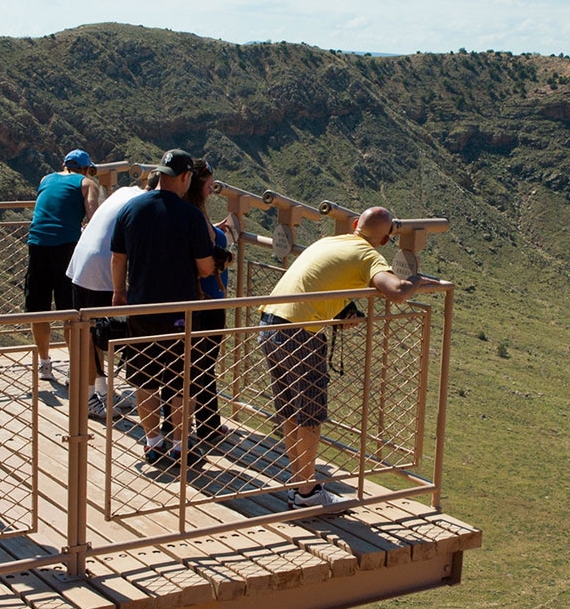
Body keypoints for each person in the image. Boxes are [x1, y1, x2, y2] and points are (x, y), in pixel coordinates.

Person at [258, 206, 445, 509]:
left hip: (270, 323)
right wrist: (415, 279)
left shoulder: (329, 242)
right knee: (309, 415)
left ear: (356, 224)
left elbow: (324, 279)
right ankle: (306, 494)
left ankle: (300, 485)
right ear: (385, 241)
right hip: (301, 334)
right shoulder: (369, 255)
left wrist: (342, 310)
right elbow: (395, 291)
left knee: (291, 412)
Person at [110, 150, 214, 466]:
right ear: (185, 177)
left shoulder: (131, 208)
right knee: (182, 381)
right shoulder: (191, 216)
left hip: (140, 308)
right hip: (180, 314)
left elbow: (118, 257)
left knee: (145, 379)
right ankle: (181, 446)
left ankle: (153, 441)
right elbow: (206, 268)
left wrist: (119, 293)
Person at [65, 173, 158, 419]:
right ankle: (87, 399)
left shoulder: (125, 191)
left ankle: (101, 391)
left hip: (81, 262)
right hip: (102, 271)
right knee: (96, 335)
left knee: (88, 333)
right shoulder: (146, 206)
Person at [25, 149, 100, 384]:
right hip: (66, 247)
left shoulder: (45, 179)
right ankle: (76, 367)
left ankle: (44, 363)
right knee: (70, 311)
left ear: (63, 165)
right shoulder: (87, 183)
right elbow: (94, 217)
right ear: (87, 169)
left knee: (39, 309)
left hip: (37, 244)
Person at [183, 159, 233, 443]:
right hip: (207, 300)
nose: (212, 191)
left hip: (198, 298)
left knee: (196, 363)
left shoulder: (190, 214)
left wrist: (215, 229)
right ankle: (207, 426)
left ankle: (200, 424)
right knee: (203, 364)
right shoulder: (194, 215)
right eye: (209, 185)